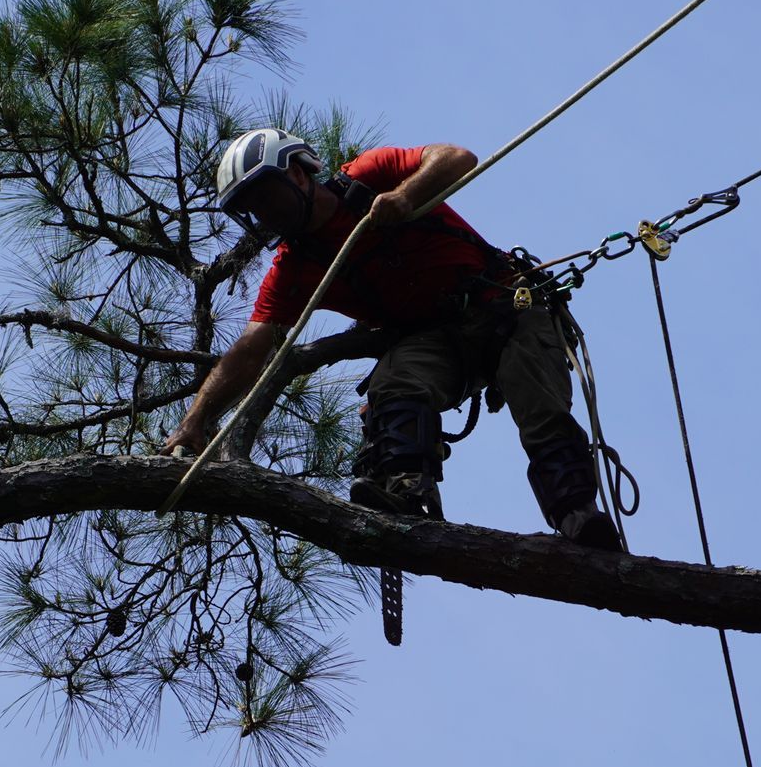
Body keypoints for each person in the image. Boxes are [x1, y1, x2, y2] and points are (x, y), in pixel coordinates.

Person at [162, 128, 620, 550]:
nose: (268, 214)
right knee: (394, 387)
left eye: (269, 199)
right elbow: (249, 349)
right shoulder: (295, 269)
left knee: (539, 406)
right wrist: (195, 421)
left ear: (298, 175)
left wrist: (404, 196)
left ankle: (577, 514)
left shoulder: (366, 177)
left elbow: (458, 158)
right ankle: (407, 492)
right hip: (438, 340)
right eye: (256, 209)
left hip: (507, 308)